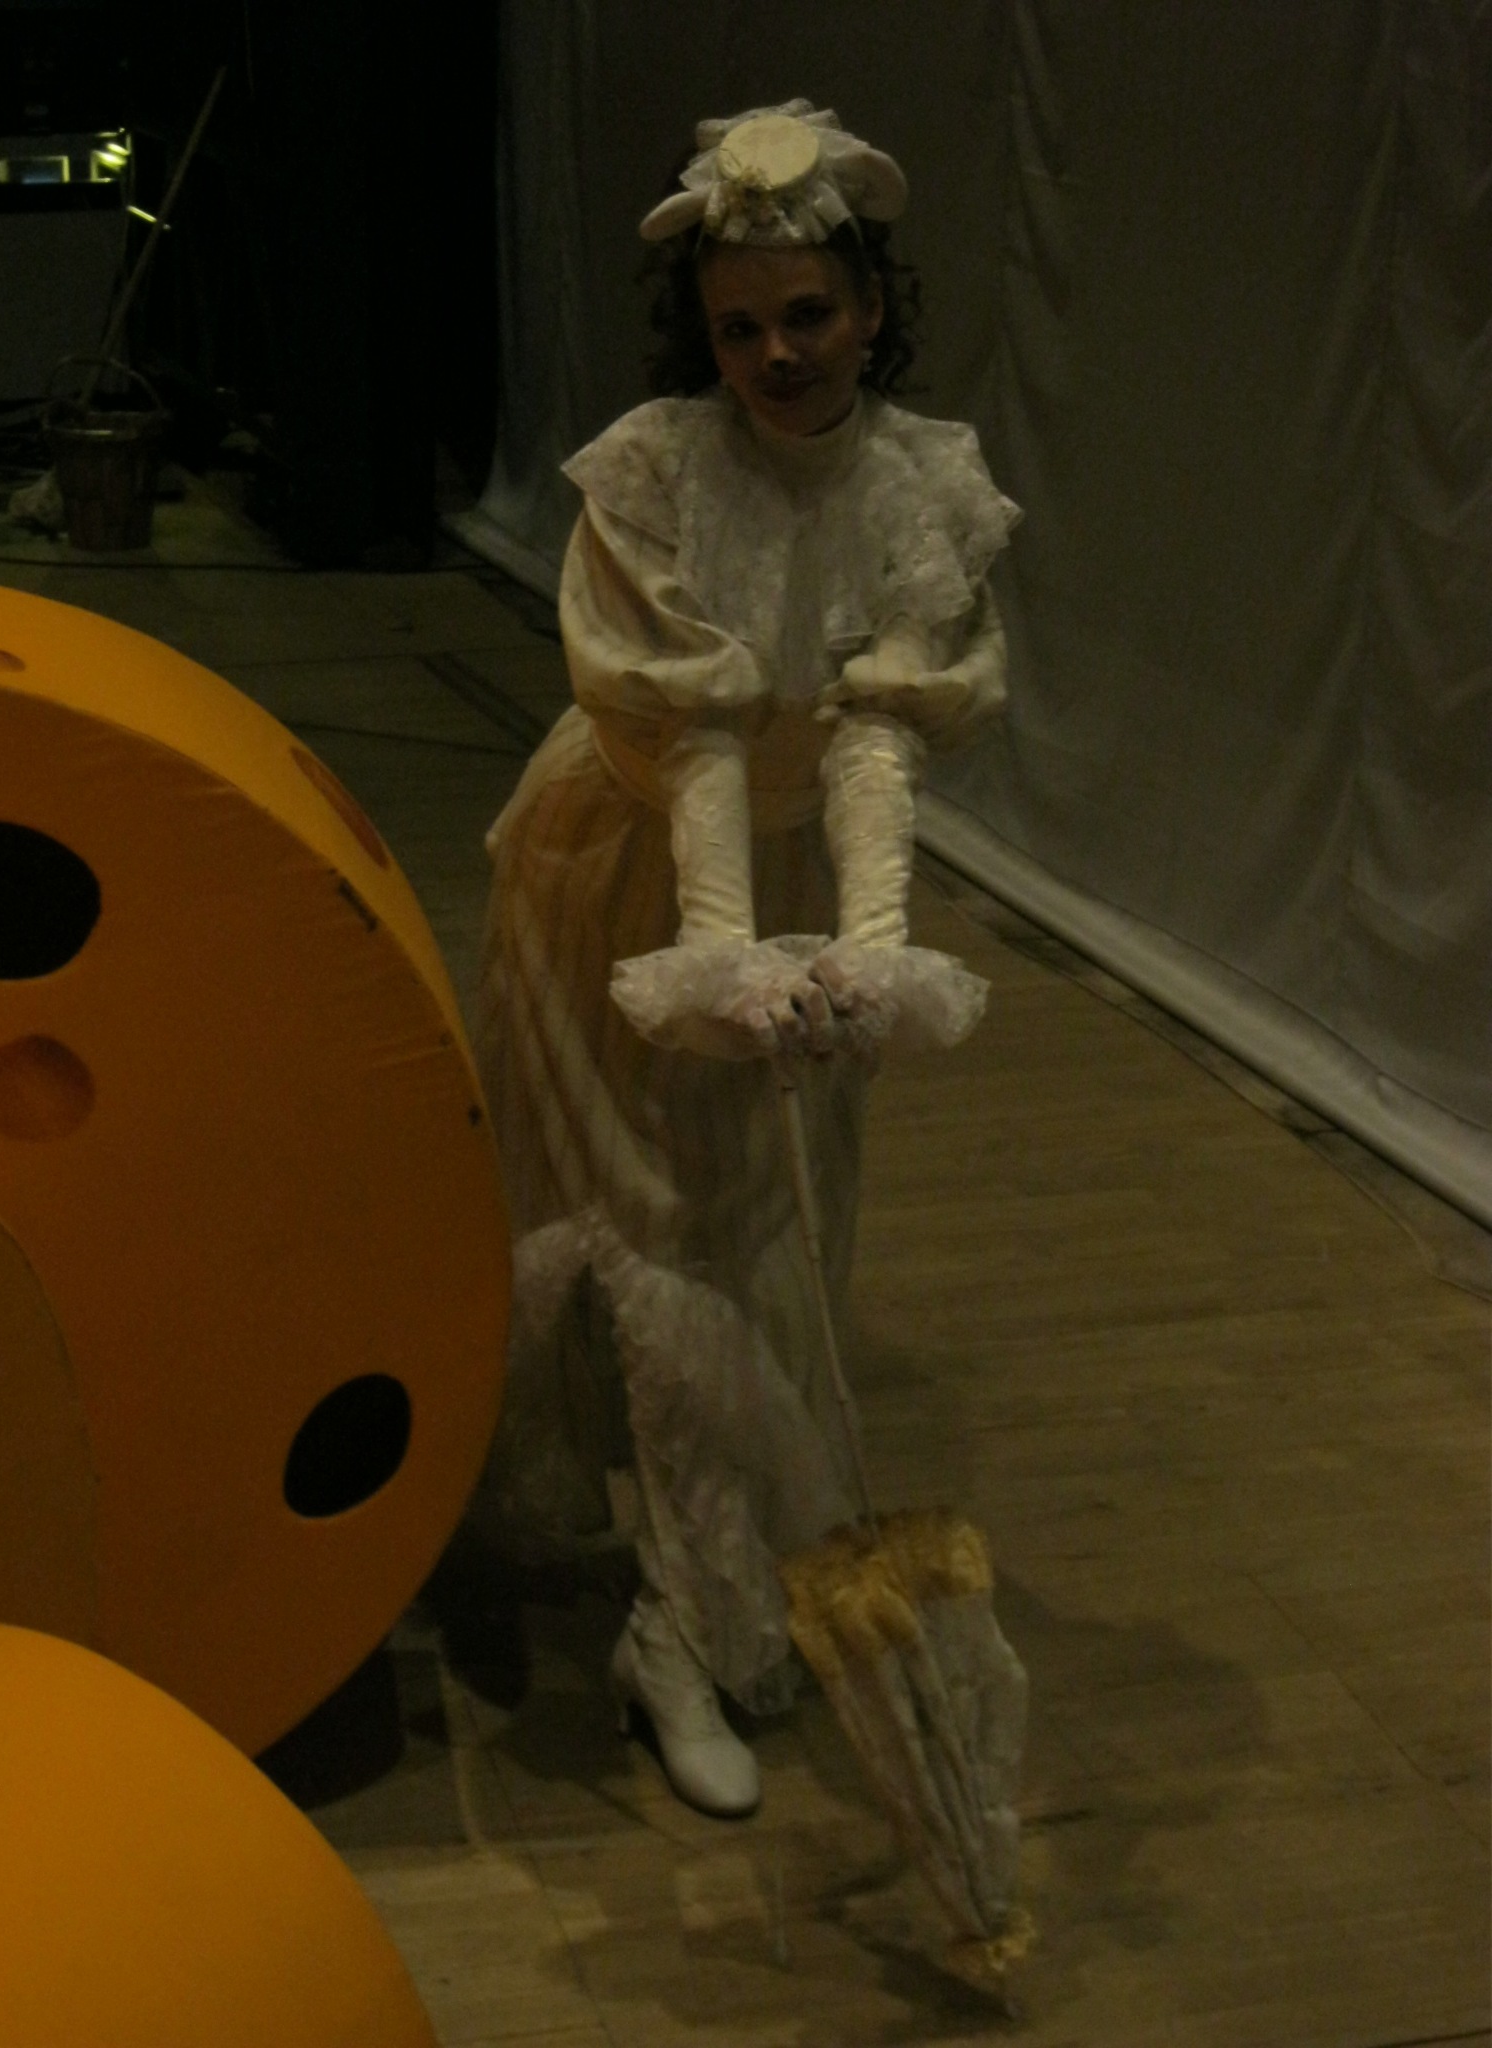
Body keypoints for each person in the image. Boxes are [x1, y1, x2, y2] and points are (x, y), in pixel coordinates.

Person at [471, 101, 1019, 1818]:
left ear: (870, 308)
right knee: (669, 1251)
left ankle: (699, 1595)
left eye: (807, 315)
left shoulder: (923, 487)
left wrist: (867, 960)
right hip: (621, 865)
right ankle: (674, 1628)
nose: (777, 353)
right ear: (701, 339)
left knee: (784, 1240)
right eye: (739, 328)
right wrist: (718, 966)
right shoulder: (655, 476)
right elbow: (693, 740)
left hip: (794, 864)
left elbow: (875, 739)